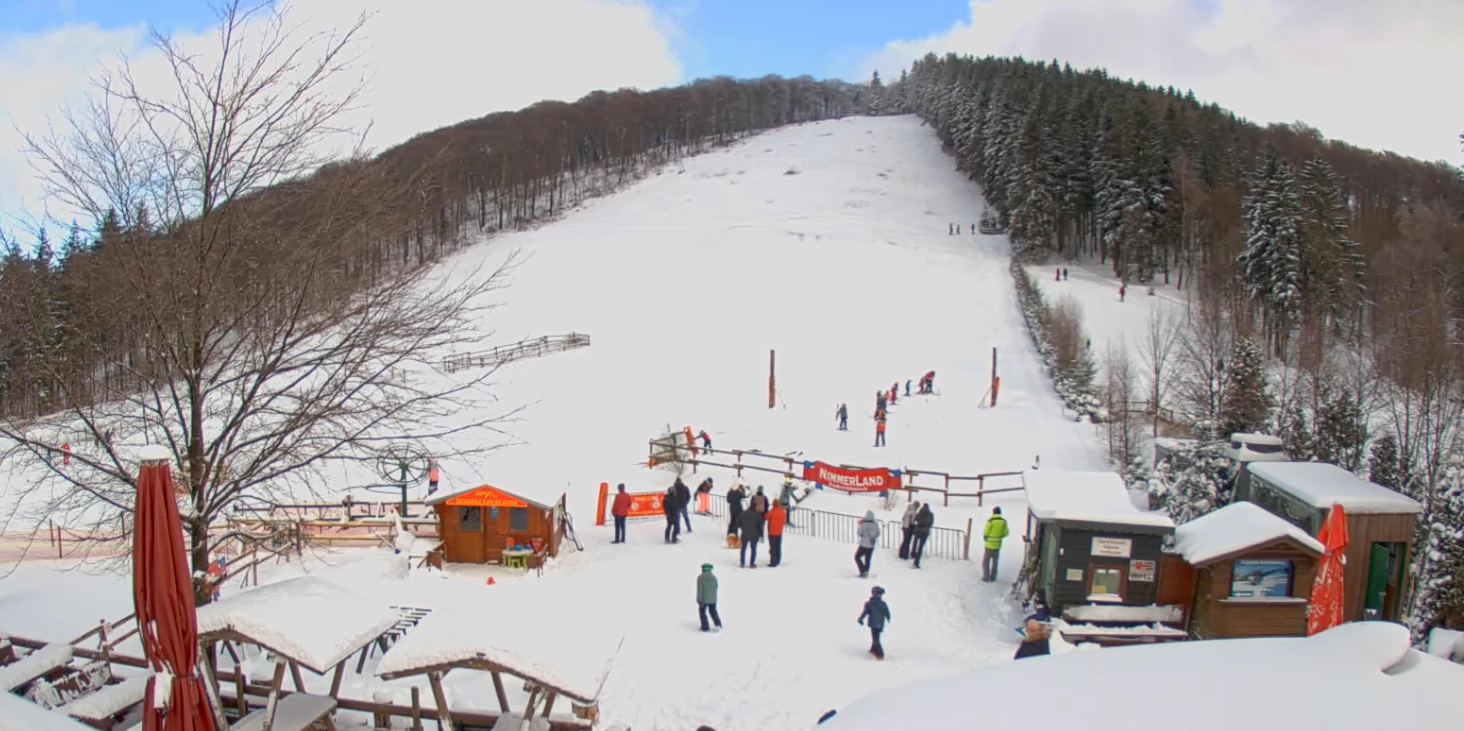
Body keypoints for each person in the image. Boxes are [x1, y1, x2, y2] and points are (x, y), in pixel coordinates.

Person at [857, 586, 891, 659]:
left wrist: (860, 619)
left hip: (873, 623)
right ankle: (873, 650)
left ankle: (880, 654)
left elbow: (865, 612)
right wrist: (888, 618)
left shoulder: (869, 603)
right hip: (880, 624)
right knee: (876, 636)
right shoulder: (883, 604)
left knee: (876, 639)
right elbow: (887, 612)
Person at [981, 506, 1010, 581]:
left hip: (989, 544)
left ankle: (986, 577)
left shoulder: (990, 521)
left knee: (986, 561)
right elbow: (1006, 533)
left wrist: (986, 538)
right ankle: (993, 577)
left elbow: (986, 532)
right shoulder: (1003, 521)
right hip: (997, 545)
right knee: (995, 562)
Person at [697, 563, 722, 632]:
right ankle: (718, 624)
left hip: (704, 599)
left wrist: (699, 600)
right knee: (713, 612)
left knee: (702, 613)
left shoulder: (700, 577)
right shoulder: (714, 577)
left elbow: (700, 590)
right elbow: (716, 587)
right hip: (713, 599)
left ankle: (705, 627)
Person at [854, 511, 880, 577]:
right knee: (868, 559)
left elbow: (859, 533)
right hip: (871, 544)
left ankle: (862, 571)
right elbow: (878, 533)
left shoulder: (863, 524)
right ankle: (866, 571)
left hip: (863, 544)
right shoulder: (875, 524)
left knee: (857, 557)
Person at [738, 503, 763, 568]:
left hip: (745, 533)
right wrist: (761, 534)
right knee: (753, 549)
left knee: (743, 548)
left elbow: (738, 523)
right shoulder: (757, 515)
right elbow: (760, 526)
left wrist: (743, 528)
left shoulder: (743, 513)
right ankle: (752, 563)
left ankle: (742, 563)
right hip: (754, 534)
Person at [910, 503, 934, 568]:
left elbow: (915, 519)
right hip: (925, 531)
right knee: (920, 547)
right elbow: (931, 523)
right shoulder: (931, 514)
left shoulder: (919, 513)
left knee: (915, 542)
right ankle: (916, 561)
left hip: (917, 530)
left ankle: (913, 553)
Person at [766, 501, 786, 567]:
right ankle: (778, 560)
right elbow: (784, 521)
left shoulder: (772, 512)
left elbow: (766, 516)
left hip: (772, 532)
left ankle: (773, 562)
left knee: (773, 547)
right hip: (779, 532)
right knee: (778, 546)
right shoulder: (782, 512)